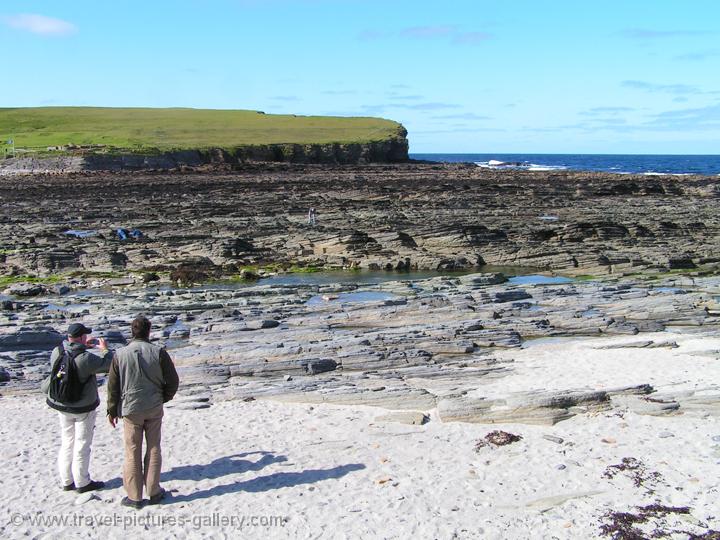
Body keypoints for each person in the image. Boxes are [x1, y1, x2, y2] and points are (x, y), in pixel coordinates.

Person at [107, 315, 179, 509]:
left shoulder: (120, 354)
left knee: (132, 451)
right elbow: (173, 381)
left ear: (132, 331)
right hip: (153, 405)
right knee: (154, 447)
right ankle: (154, 492)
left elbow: (113, 386)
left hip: (131, 407)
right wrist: (163, 397)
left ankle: (134, 496)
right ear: (149, 331)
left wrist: (111, 410)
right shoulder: (158, 352)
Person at [42, 323, 112, 493]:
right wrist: (104, 349)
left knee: (67, 442)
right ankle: (82, 482)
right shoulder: (86, 358)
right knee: (82, 444)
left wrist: (81, 346)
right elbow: (108, 364)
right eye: (85, 336)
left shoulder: (57, 352)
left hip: (61, 404)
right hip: (83, 408)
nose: (87, 338)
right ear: (80, 338)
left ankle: (67, 480)